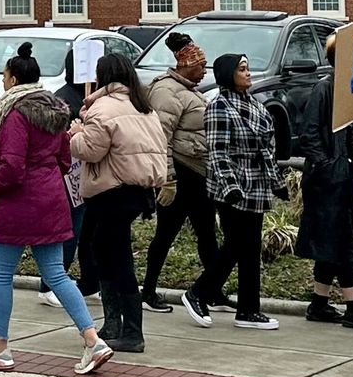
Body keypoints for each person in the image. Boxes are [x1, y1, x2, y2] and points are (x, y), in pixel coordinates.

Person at [0, 46, 115, 376]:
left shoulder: (15, 115)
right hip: (53, 198)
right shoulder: (56, 111)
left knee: (2, 276)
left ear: (14, 79)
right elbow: (65, 160)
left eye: (6, 76)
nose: (4, 82)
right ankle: (92, 339)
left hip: (20, 202)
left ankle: (0, 348)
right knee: (56, 274)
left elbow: (12, 170)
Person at [70, 53, 170, 353]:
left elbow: (91, 150)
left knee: (116, 258)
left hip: (110, 191)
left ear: (102, 76)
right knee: (105, 250)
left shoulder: (102, 107)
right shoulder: (143, 106)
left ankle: (130, 330)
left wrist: (75, 134)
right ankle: (114, 324)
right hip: (138, 191)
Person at [295, 36, 353, 332]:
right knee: (343, 240)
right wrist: (328, 165)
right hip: (331, 182)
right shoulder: (326, 88)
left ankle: (319, 302)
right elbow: (308, 134)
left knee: (340, 240)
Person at [196, 52, 281, 330]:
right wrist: (231, 186)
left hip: (256, 186)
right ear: (227, 74)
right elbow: (217, 152)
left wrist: (277, 183)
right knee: (236, 245)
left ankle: (248, 309)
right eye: (241, 69)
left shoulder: (255, 105)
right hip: (231, 186)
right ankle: (199, 292)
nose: (247, 73)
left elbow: (268, 149)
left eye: (247, 68)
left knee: (250, 248)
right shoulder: (219, 106)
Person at [142, 35, 224, 315]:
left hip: (198, 172)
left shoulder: (188, 90)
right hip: (180, 174)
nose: (204, 71)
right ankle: (149, 291)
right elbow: (159, 137)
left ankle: (213, 291)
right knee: (166, 234)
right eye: (201, 66)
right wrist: (167, 179)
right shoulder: (167, 92)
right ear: (186, 65)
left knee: (207, 234)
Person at [41, 48, 96, 307]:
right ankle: (50, 282)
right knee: (68, 229)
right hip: (64, 173)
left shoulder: (91, 99)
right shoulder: (62, 100)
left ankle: (90, 280)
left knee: (86, 229)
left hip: (84, 172)